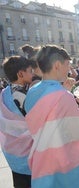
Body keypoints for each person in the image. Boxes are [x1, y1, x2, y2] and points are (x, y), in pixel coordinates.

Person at [24, 45, 79, 188]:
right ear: (57, 65)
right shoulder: (62, 96)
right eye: (68, 64)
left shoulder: (32, 91)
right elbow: (77, 132)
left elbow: (46, 121)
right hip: (66, 165)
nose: (69, 69)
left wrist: (64, 89)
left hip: (44, 161)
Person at [0, 56, 33, 188]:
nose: (33, 74)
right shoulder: (26, 95)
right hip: (30, 154)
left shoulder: (4, 93)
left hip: (12, 152)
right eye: (30, 71)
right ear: (20, 74)